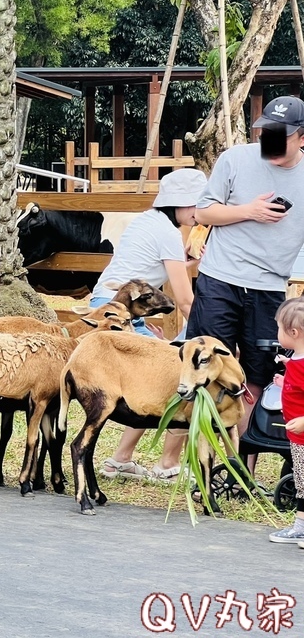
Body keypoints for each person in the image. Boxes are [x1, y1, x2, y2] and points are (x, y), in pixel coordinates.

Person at [187, 95, 304, 459]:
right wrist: (248, 211)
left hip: (269, 286)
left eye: (279, 135)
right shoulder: (235, 159)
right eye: (265, 131)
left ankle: (240, 464)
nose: (268, 140)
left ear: (301, 136)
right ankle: (201, 460)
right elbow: (203, 212)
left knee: (257, 375)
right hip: (220, 278)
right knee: (204, 366)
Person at [86, 168, 208, 481]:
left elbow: (156, 269)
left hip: (107, 305)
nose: (199, 213)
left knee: (145, 386)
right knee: (176, 378)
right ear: (177, 204)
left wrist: (192, 263)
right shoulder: (168, 233)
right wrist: (210, 326)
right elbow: (183, 299)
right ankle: (166, 464)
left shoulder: (148, 221)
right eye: (196, 205)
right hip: (119, 314)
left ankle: (121, 459)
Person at [267, 296, 304, 546]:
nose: (277, 333)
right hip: (297, 438)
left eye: (279, 328)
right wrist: (285, 382)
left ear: (293, 332)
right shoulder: (296, 362)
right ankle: (300, 527)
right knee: (302, 483)